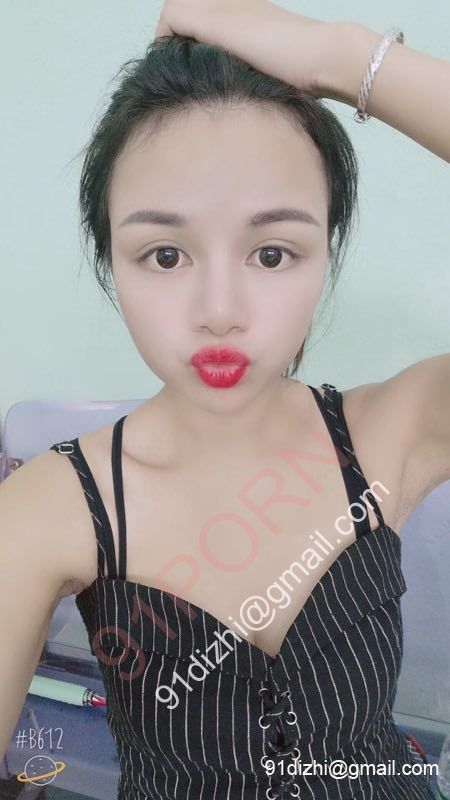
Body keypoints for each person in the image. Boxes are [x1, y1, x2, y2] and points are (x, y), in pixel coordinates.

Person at [0, 1, 449, 798]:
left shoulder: (396, 431)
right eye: (164, 254)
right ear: (110, 261)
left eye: (272, 253)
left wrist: (341, 57)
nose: (219, 310)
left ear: (325, 252)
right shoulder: (46, 509)